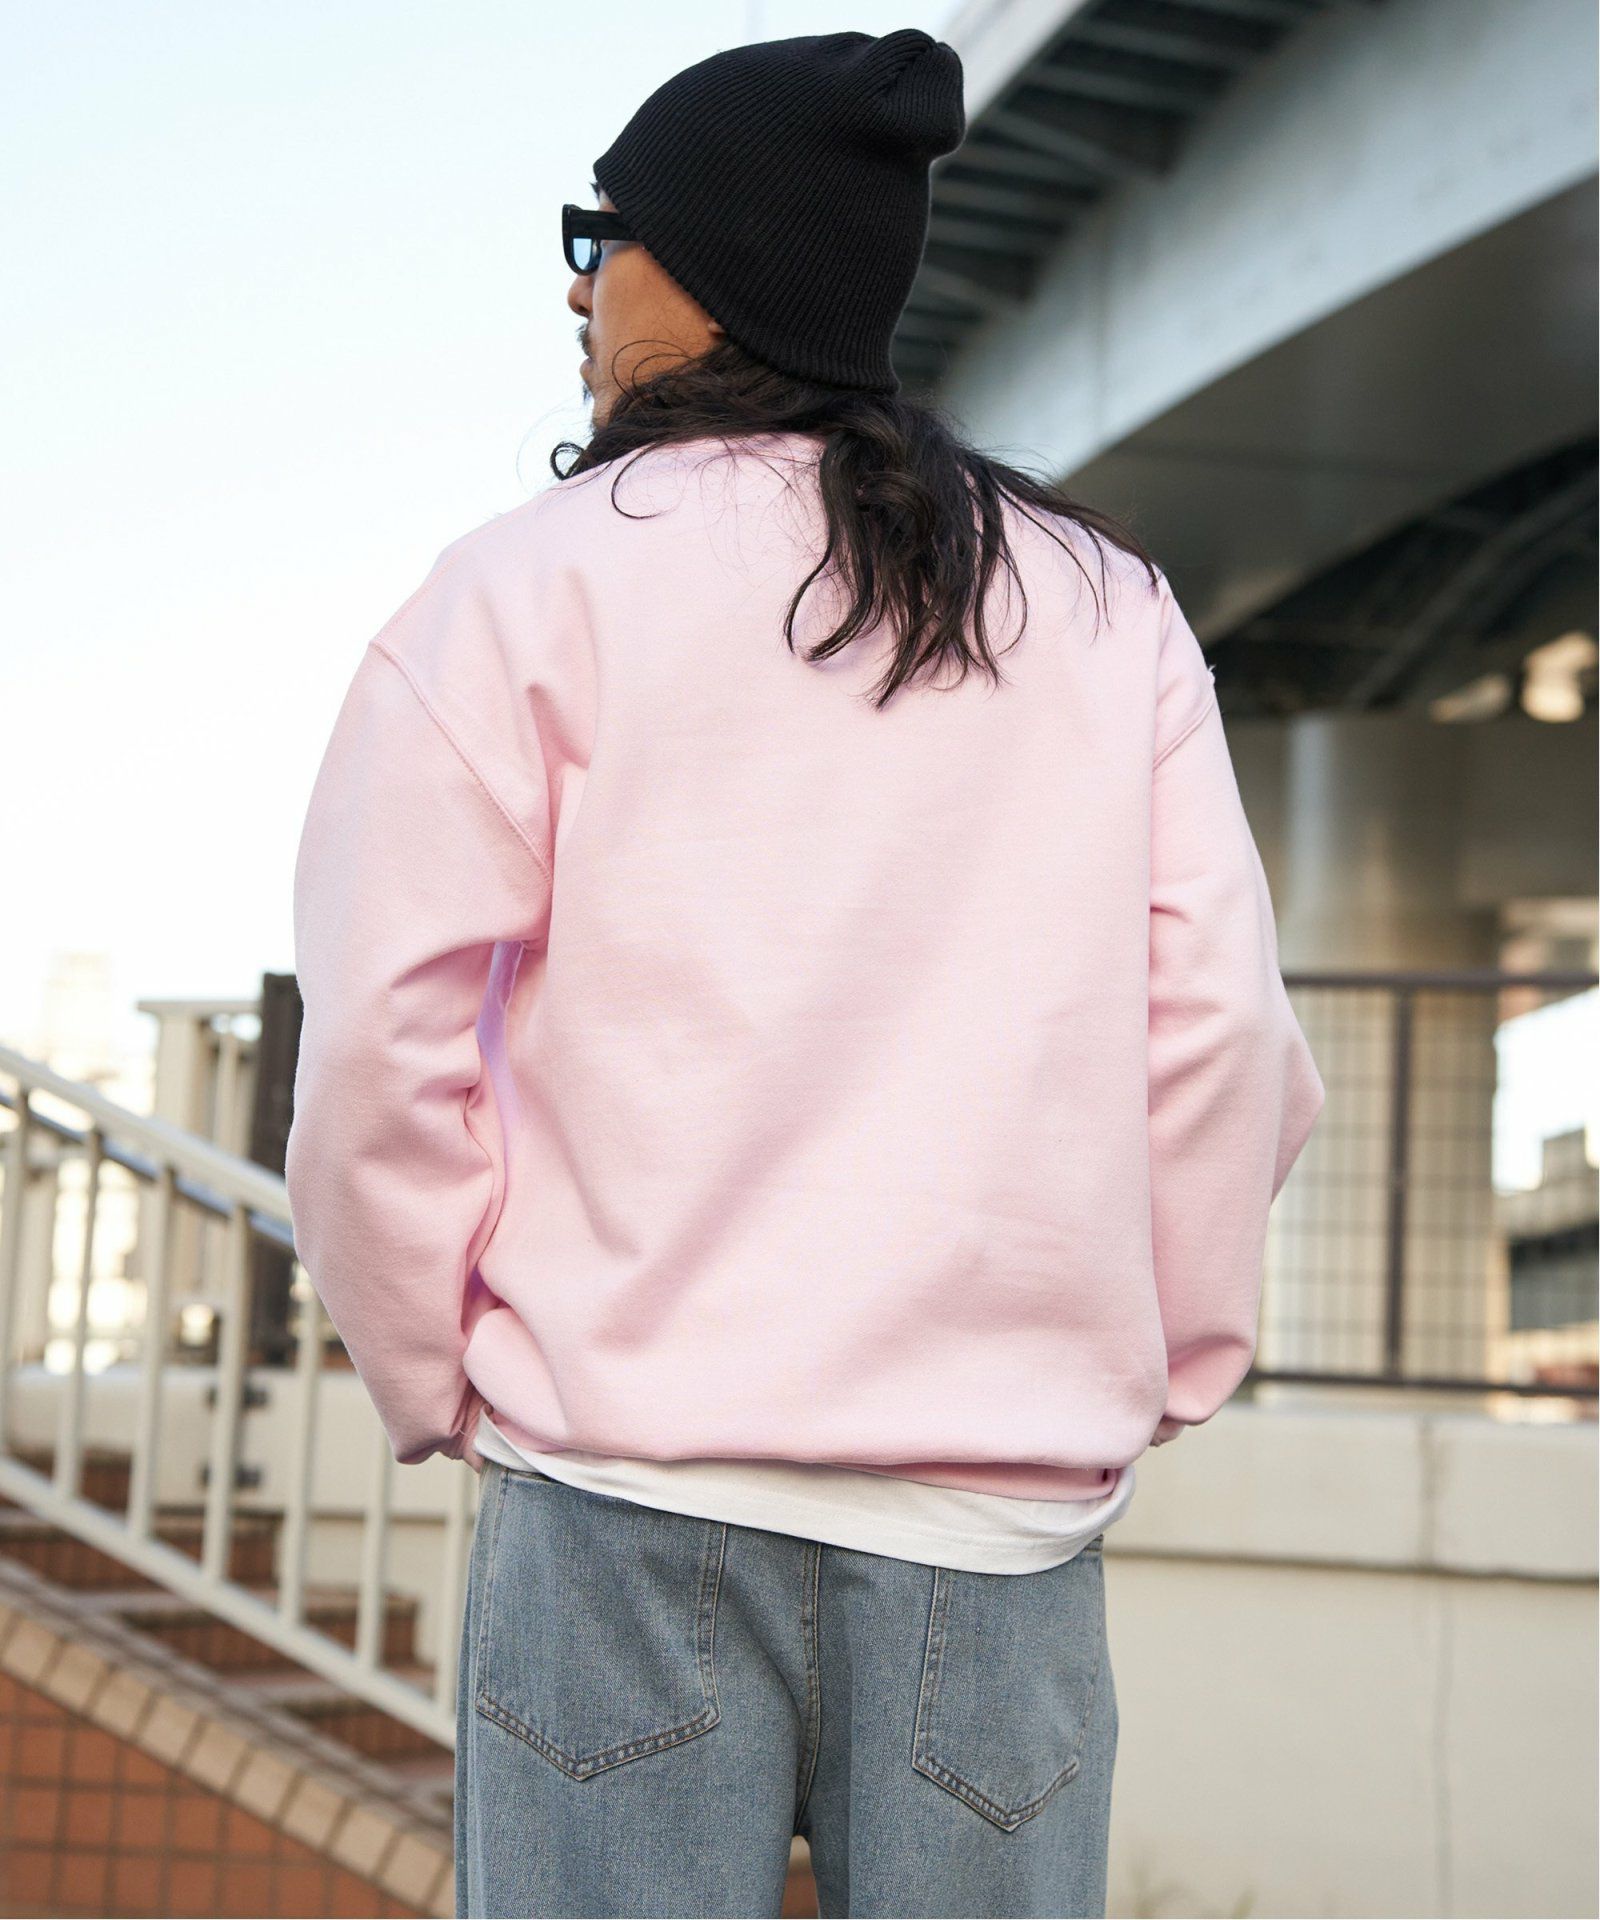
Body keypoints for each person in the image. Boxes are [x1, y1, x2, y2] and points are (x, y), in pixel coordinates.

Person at [284, 27, 1326, 1920]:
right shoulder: (1105, 608)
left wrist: (440, 1370)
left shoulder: (518, 589)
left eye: (604, 237)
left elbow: (380, 1044)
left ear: (713, 268)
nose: (582, 289)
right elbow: (1220, 1034)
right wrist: (1154, 1356)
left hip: (622, 1495)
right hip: (995, 1529)